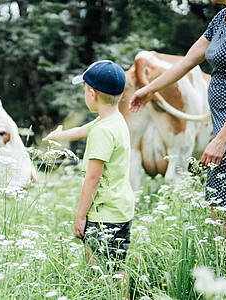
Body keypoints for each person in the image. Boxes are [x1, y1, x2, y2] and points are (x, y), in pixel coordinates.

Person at [129, 0, 226, 240]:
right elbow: (187, 61)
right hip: (223, 124)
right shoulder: (222, 18)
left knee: (223, 208)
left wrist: (221, 140)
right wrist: (149, 90)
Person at [43, 60, 135, 280]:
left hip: (103, 214)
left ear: (92, 93)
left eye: (84, 90)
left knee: (97, 270)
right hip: (121, 209)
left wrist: (80, 216)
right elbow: (84, 129)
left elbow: (93, 178)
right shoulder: (114, 121)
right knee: (117, 266)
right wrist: (60, 135)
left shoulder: (101, 132)